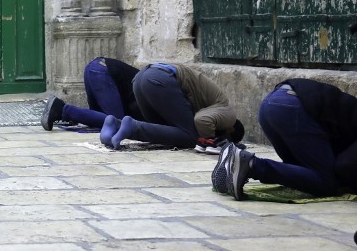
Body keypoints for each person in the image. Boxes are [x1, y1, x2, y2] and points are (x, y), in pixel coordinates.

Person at [212, 79, 357, 200]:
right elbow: (344, 165)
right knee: (328, 183)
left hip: (272, 104)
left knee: (303, 176)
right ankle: (251, 165)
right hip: (293, 109)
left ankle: (232, 166)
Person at [100, 62, 244, 151]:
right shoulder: (228, 114)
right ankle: (132, 127)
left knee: (166, 133)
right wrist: (209, 140)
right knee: (191, 137)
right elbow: (202, 121)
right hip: (161, 79)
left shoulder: (214, 105)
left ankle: (116, 125)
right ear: (230, 129)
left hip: (142, 78)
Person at [41, 57, 142, 131]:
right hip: (102, 73)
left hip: (94, 68)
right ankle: (62, 110)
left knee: (99, 120)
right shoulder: (151, 98)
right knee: (117, 123)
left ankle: (64, 111)